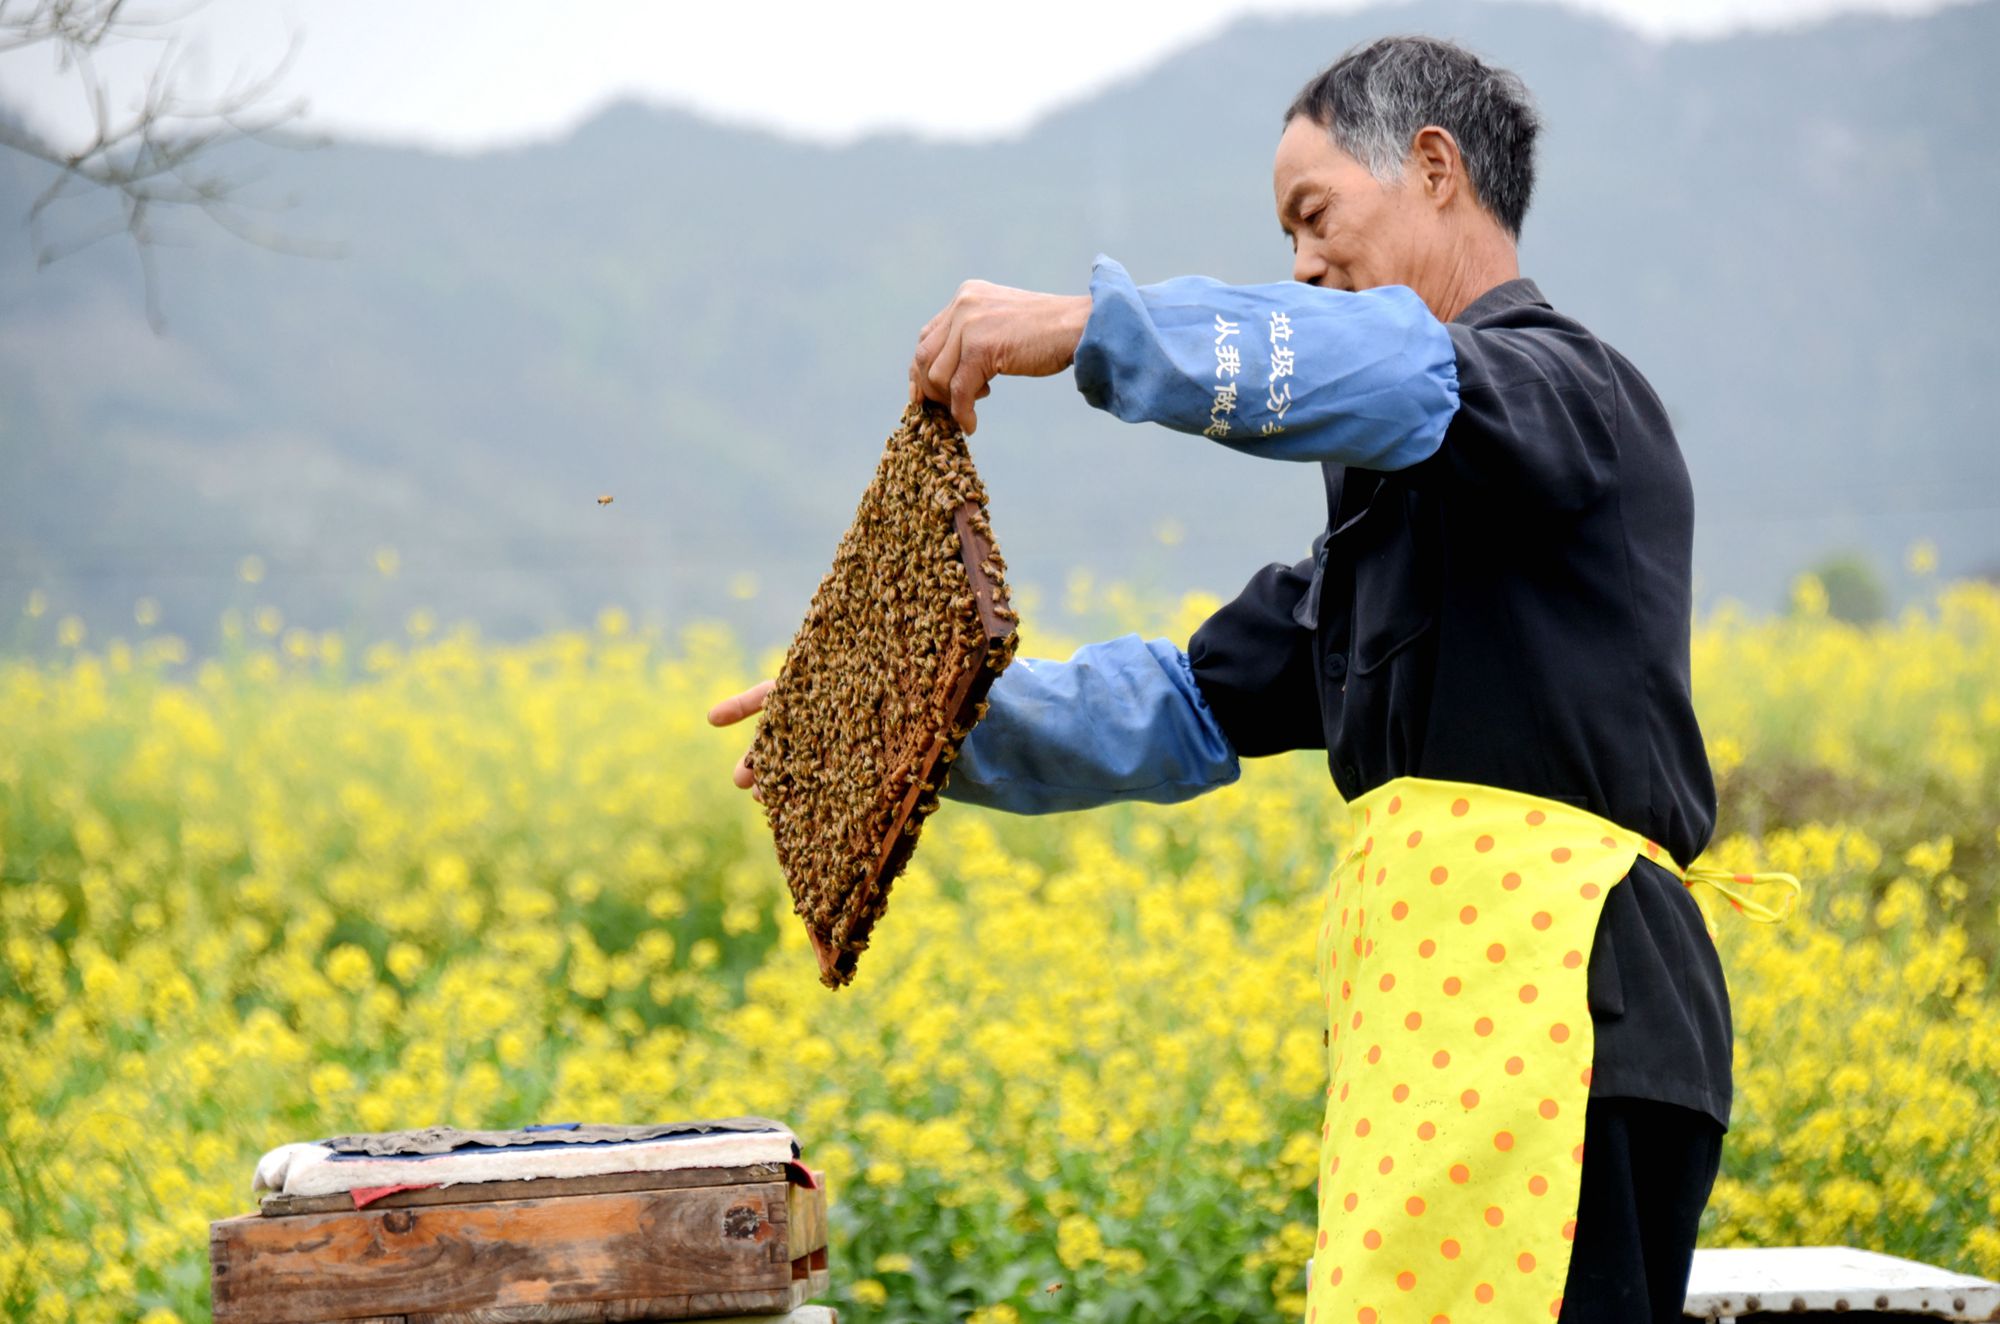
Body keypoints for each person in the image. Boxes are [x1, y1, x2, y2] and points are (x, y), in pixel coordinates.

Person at [710, 34, 1797, 1324]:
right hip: (1439, 1042)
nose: (1302, 261)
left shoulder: (1561, 389)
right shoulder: (1389, 520)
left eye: (1314, 214)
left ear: (1435, 169)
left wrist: (1095, 327)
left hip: (1579, 1017)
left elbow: (1390, 368)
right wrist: (900, 716)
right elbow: (1183, 702)